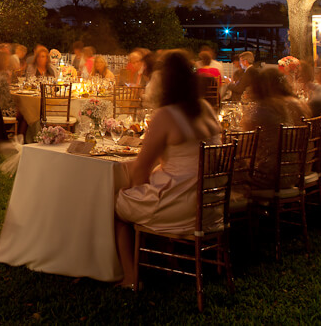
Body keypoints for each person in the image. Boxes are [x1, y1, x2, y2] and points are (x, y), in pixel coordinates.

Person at [113, 50, 221, 287]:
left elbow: (140, 170)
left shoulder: (166, 115)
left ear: (165, 83)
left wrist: (138, 196)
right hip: (212, 206)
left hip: (182, 205)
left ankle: (131, 277)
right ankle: (164, 259)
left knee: (117, 206)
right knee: (144, 195)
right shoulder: (205, 108)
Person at [243, 67, 310, 191]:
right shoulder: (289, 104)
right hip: (297, 170)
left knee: (233, 169)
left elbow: (246, 147)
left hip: (272, 177)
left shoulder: (264, 108)